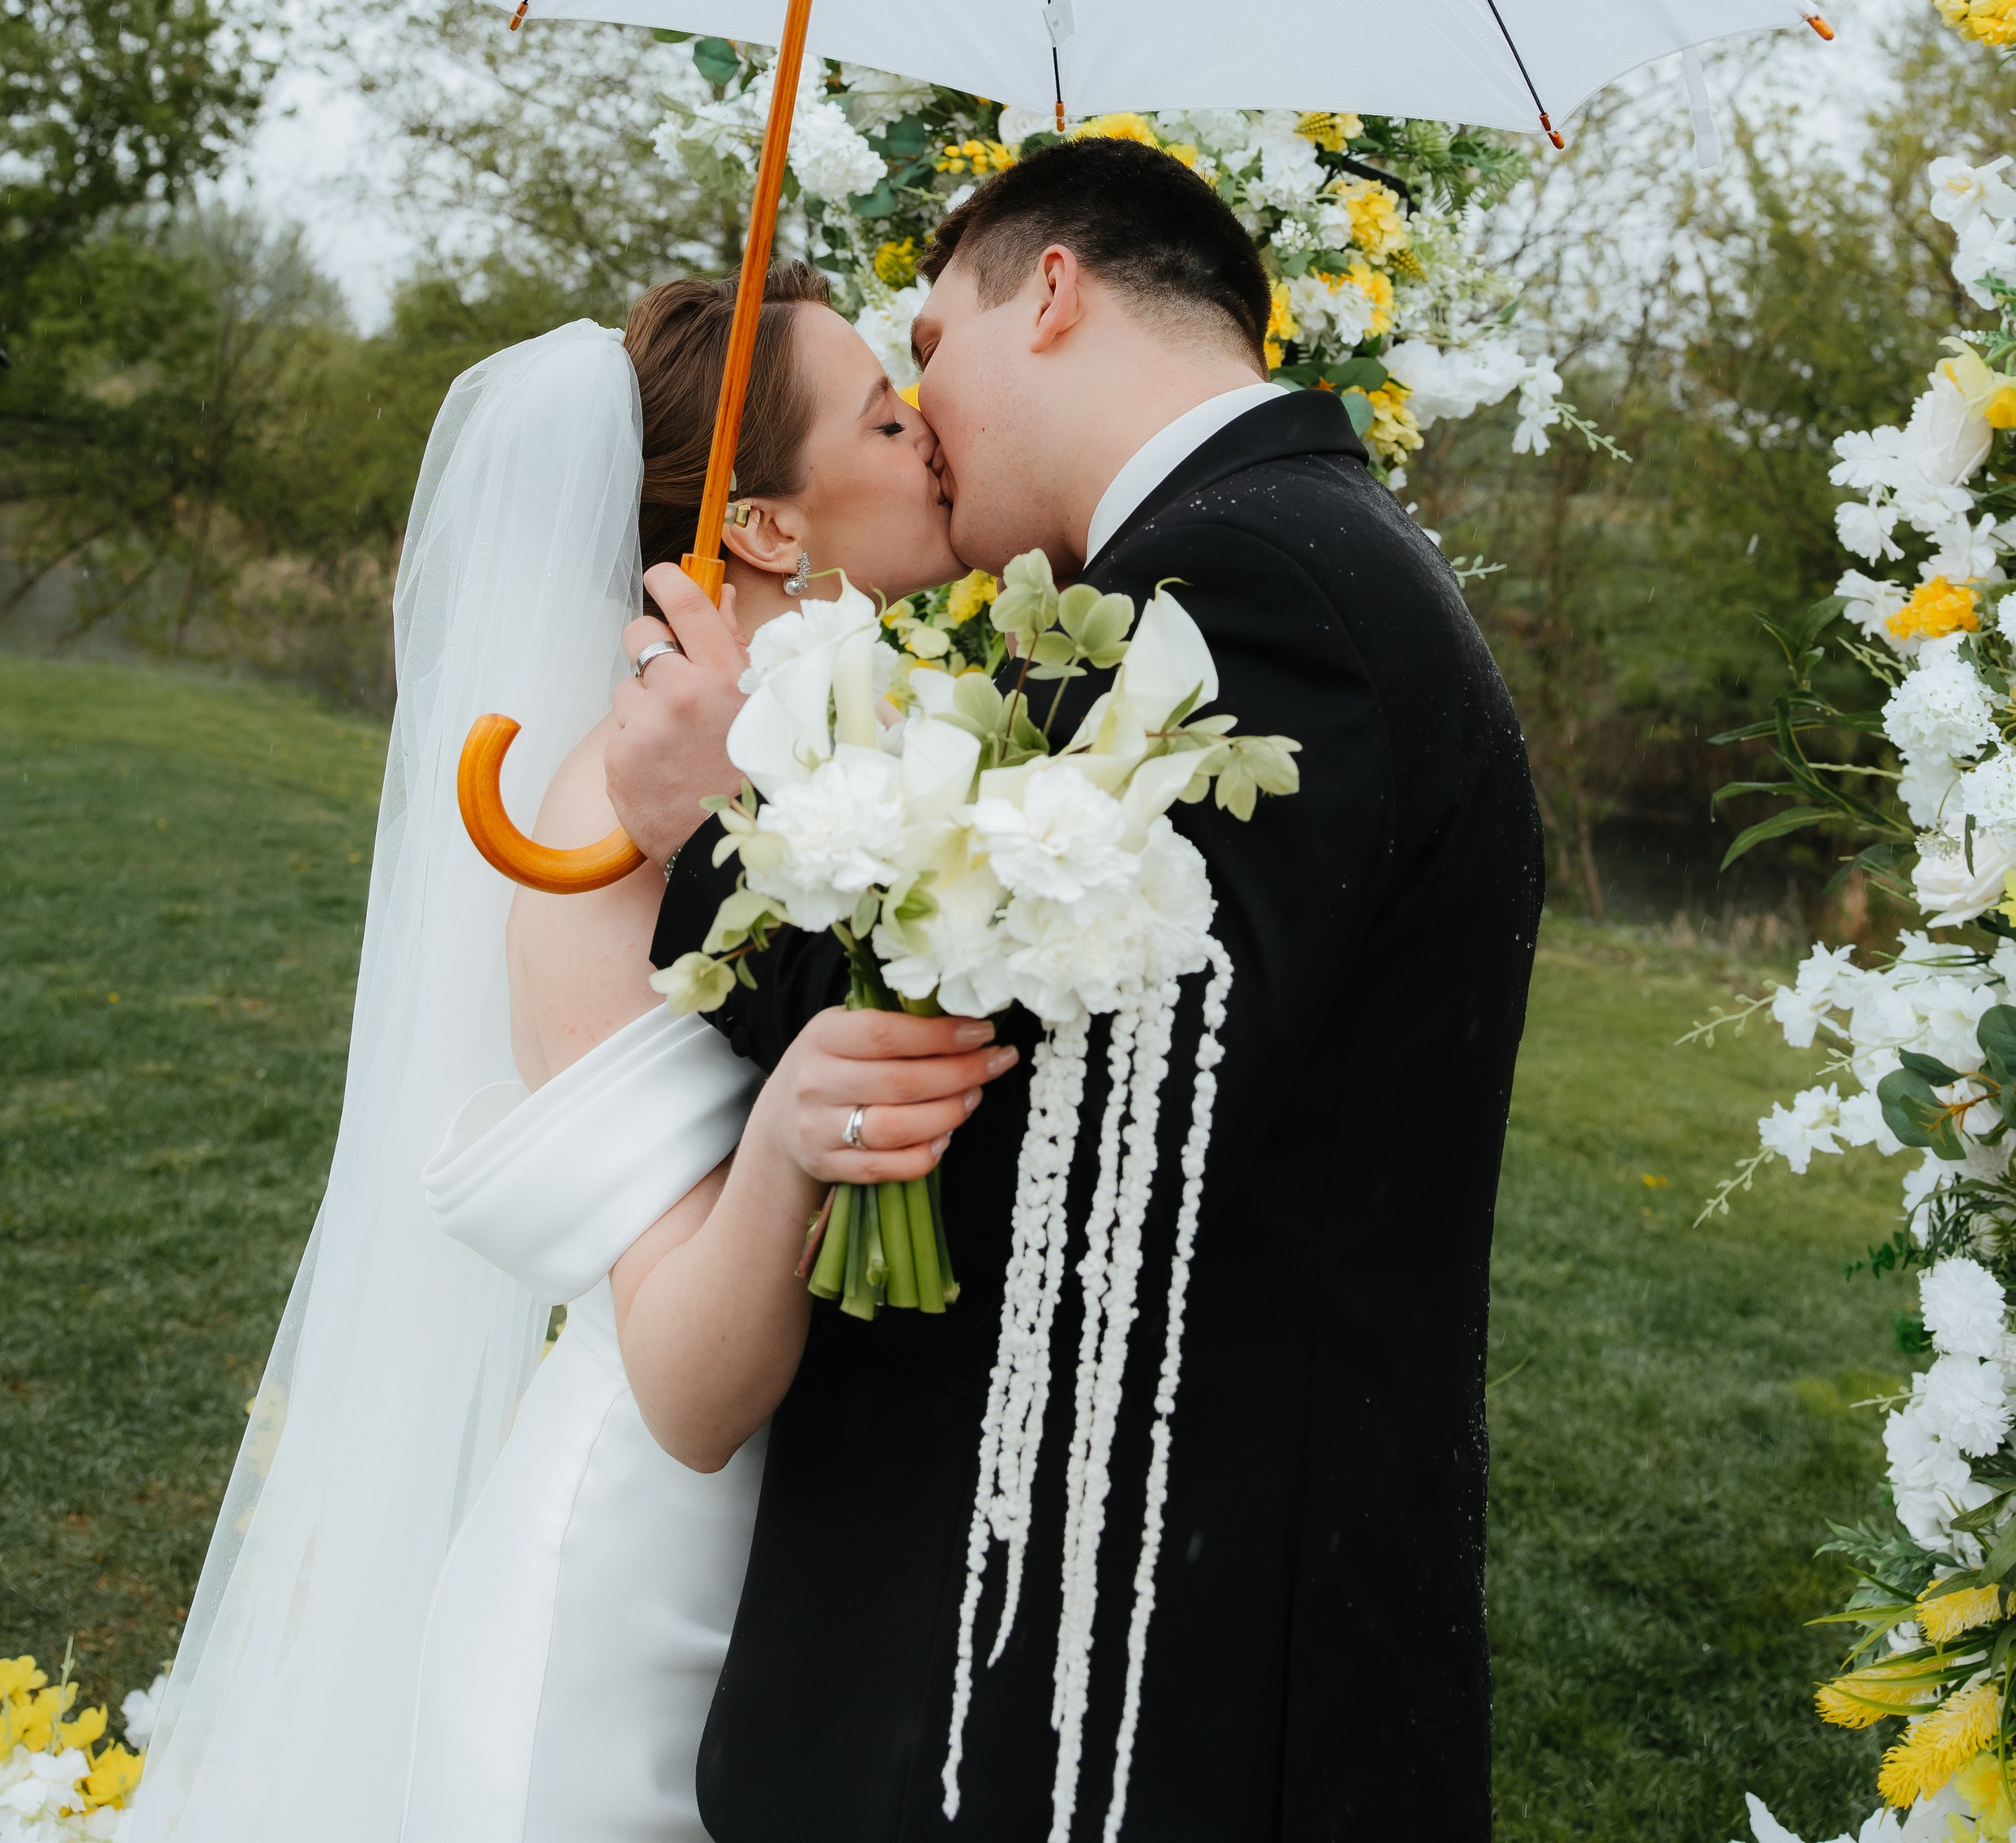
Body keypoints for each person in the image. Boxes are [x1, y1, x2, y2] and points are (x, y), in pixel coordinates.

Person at [608, 137, 1545, 1843]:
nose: (922, 407)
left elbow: (1039, 1117)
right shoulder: (1269, 560)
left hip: (1125, 1679)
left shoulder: (1248, 599)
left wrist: (710, 838)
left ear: (1047, 293)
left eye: (930, 343)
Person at [130, 267, 985, 1843]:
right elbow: (681, 1384)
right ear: (769, 530)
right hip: (633, 1626)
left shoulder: (834, 754)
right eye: (882, 411)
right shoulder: (594, 837)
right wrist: (796, 1138)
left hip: (811, 1602)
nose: (928, 427)